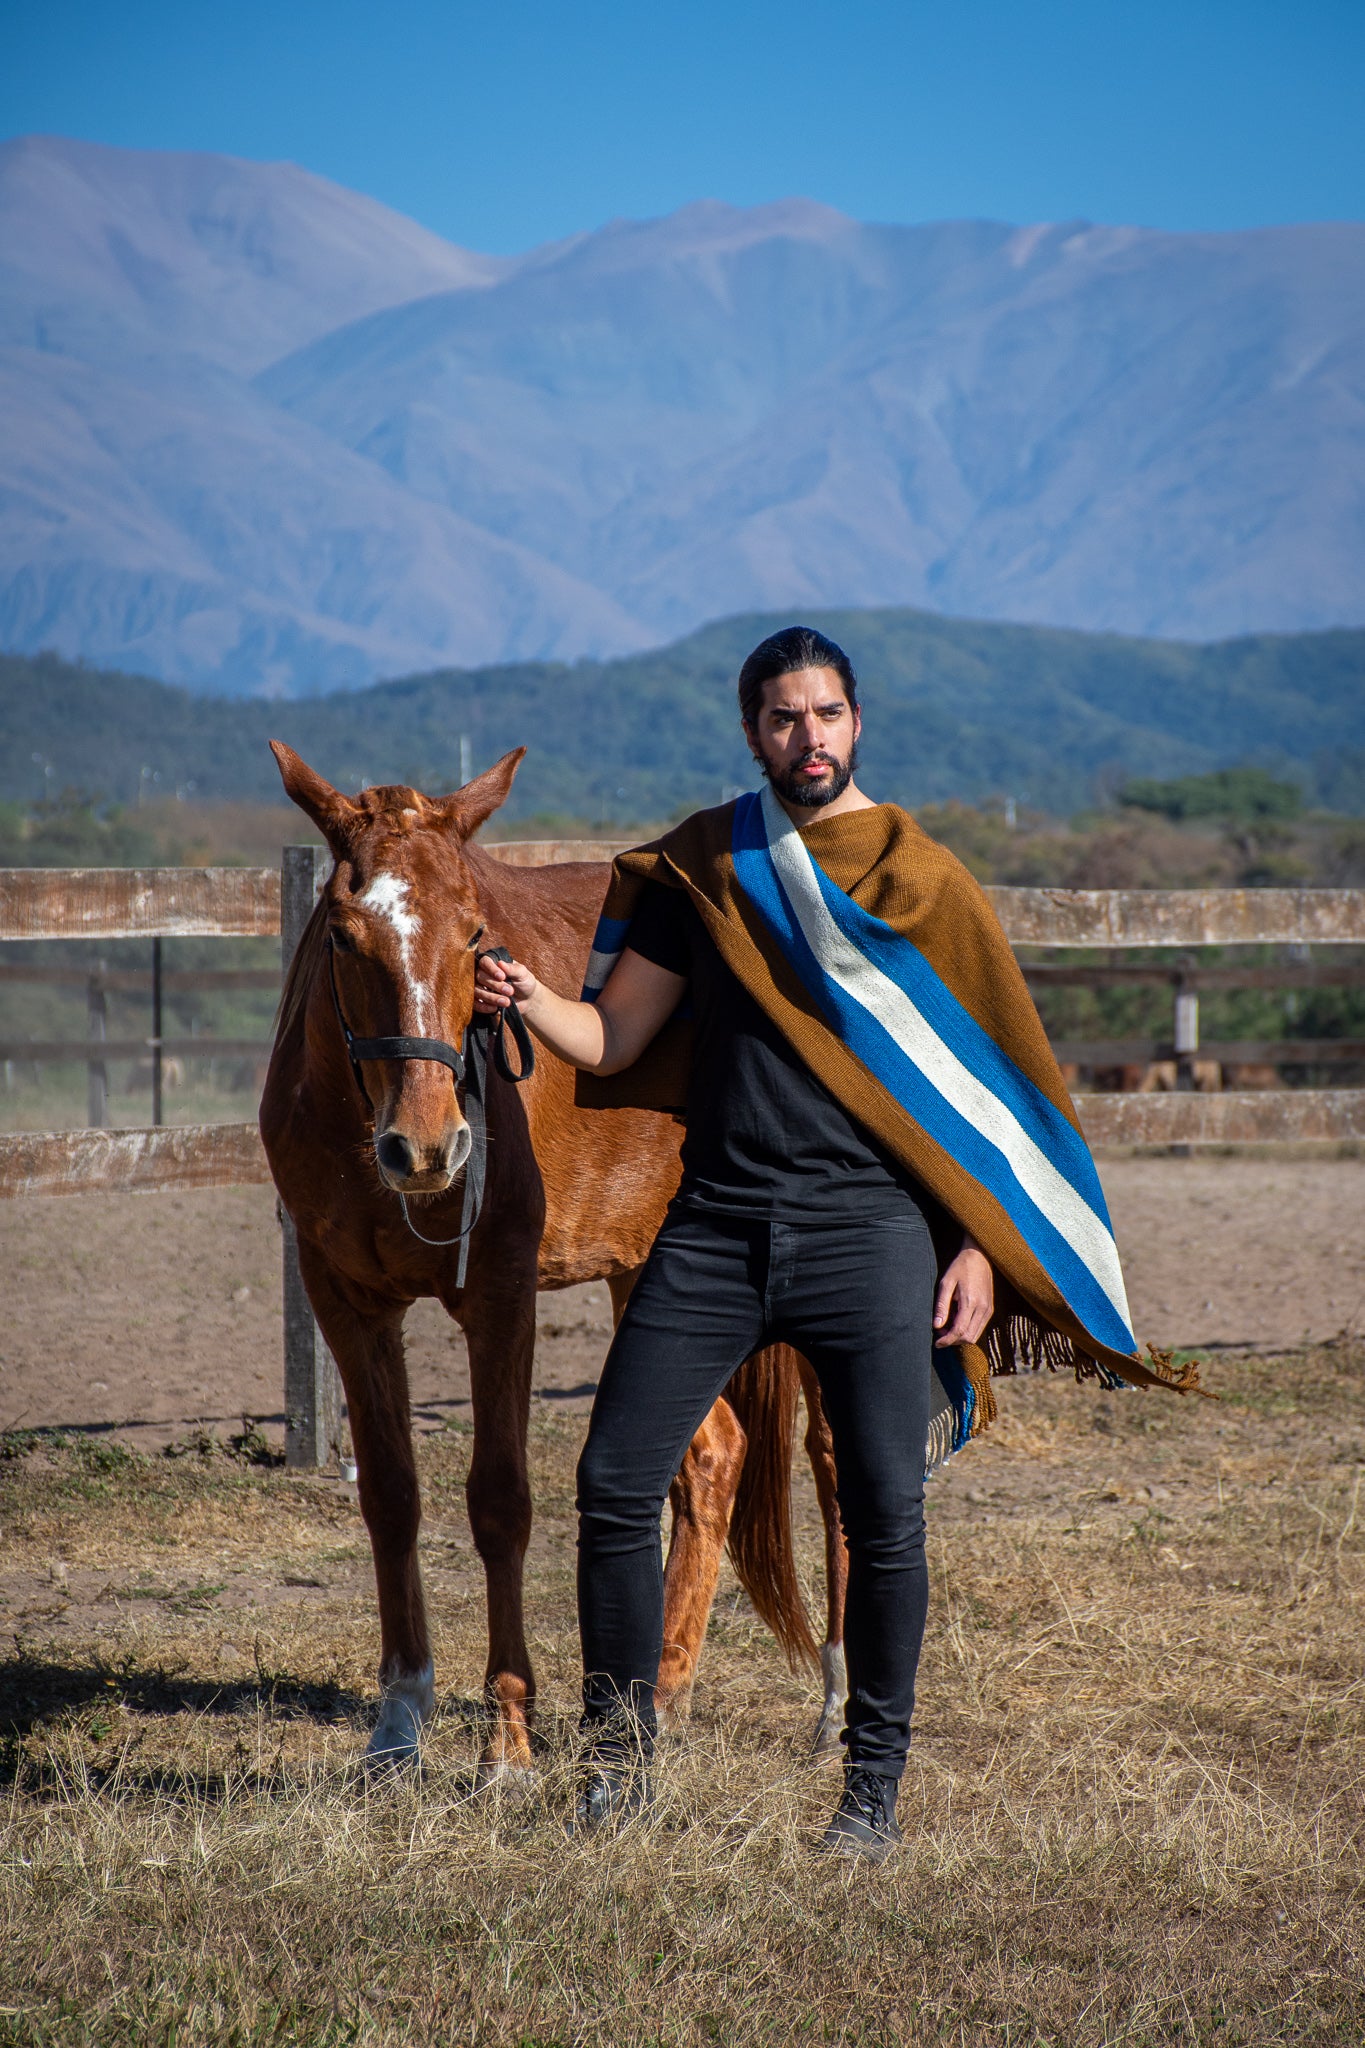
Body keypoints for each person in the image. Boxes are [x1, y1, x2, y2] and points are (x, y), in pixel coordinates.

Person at [475, 625, 1192, 1860]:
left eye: (827, 716)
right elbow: (613, 1036)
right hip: (716, 1222)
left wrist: (977, 1246)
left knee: (884, 1508)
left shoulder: (927, 881)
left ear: (857, 723)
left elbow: (989, 1095)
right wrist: (523, 996)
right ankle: (619, 1762)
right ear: (751, 729)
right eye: (783, 719)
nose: (808, 738)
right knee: (610, 1478)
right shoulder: (710, 862)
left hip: (873, 1232)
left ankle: (870, 1791)